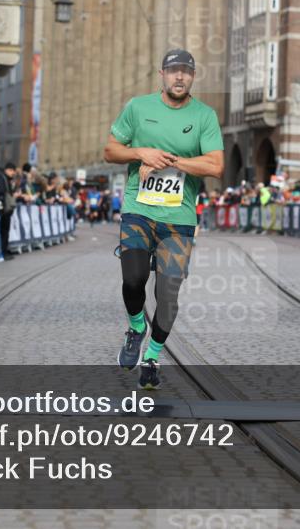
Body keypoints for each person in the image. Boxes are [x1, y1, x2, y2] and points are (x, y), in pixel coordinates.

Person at [104, 48, 224, 390]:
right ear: (162, 74)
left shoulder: (204, 116)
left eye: (186, 71)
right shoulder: (138, 107)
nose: (180, 76)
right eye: (174, 71)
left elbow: (215, 166)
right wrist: (141, 152)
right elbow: (111, 151)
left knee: (168, 292)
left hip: (179, 217)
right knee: (133, 280)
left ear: (193, 76)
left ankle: (153, 357)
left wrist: (170, 162)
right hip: (138, 210)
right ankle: (136, 327)